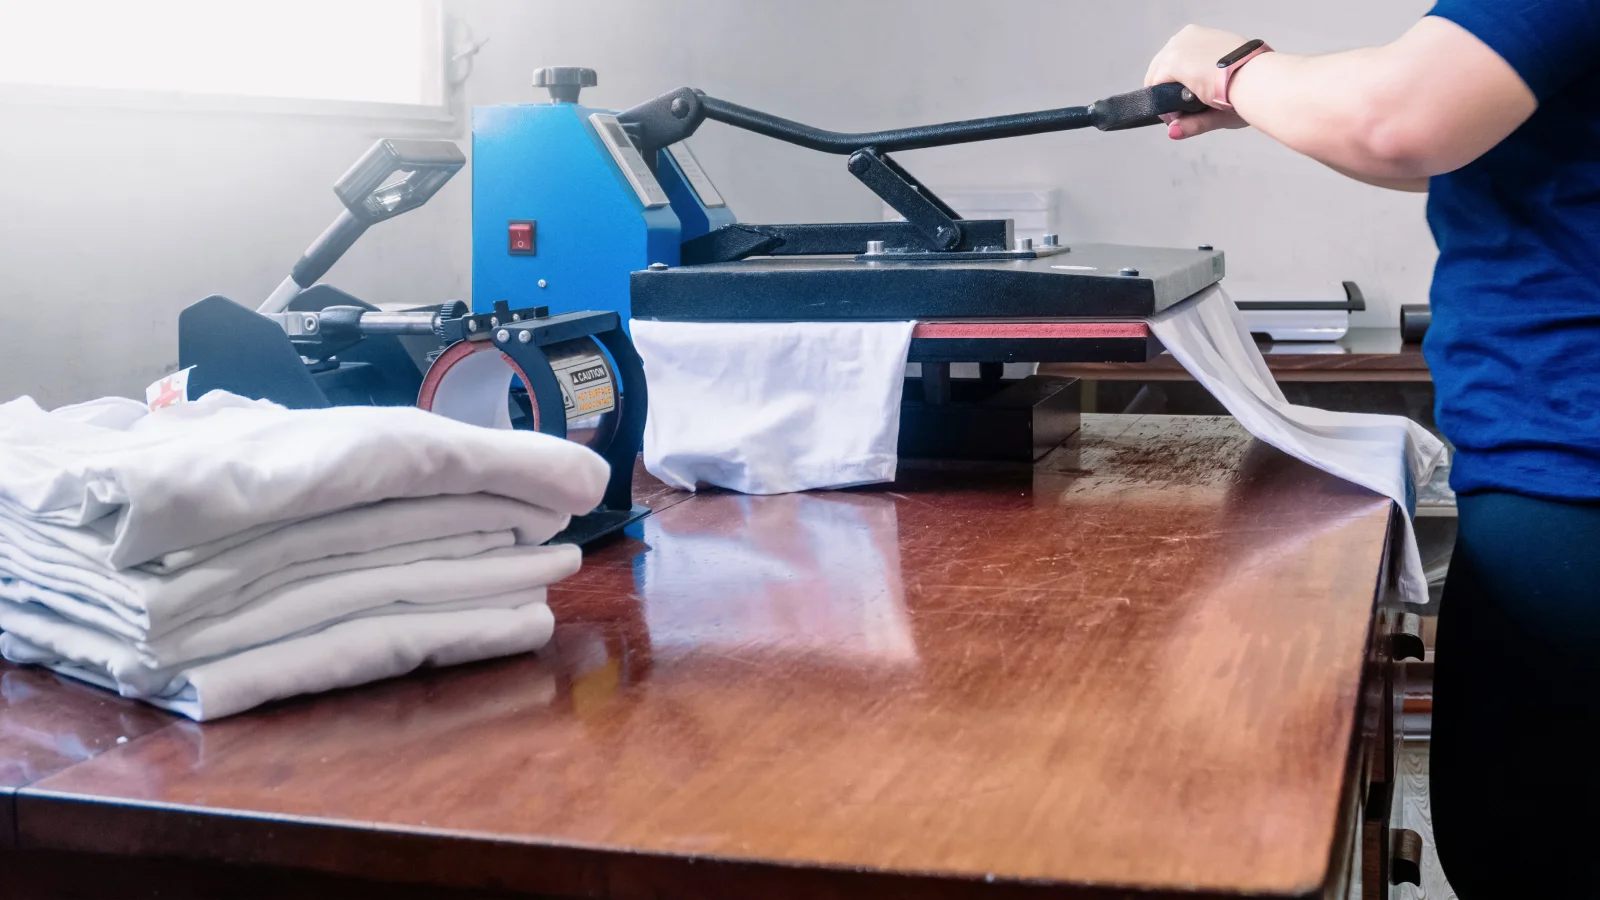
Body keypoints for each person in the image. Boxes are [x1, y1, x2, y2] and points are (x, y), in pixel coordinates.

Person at [1144, 4, 1600, 897]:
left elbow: (1402, 121)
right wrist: (1279, 98)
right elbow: (1476, 135)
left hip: (1576, 469)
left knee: (1534, 846)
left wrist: (1232, 65)